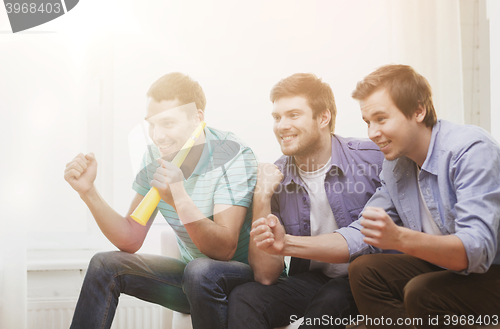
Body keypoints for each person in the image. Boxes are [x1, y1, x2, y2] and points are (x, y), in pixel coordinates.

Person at [250, 65, 500, 329]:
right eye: (368, 122)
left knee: (419, 290)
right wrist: (285, 244)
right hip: (443, 270)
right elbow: (360, 235)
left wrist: (401, 238)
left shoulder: (469, 149)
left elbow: (477, 252)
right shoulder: (396, 165)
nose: (372, 133)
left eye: (381, 119)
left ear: (418, 111)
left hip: (488, 272)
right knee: (365, 269)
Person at [64, 72, 257, 329]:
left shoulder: (232, 154)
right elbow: (130, 238)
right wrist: (88, 192)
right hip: (192, 280)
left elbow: (224, 250)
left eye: (167, 123)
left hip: (241, 283)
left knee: (201, 270)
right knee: (104, 264)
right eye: (152, 124)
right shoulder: (155, 155)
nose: (157, 136)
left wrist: (178, 197)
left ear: (197, 118)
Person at [228, 73, 384, 329]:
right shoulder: (276, 177)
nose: (281, 126)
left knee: (330, 301)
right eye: (277, 117)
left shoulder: (373, 159)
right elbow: (266, 276)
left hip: (364, 278)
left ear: (324, 117)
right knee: (245, 298)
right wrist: (262, 196)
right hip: (314, 280)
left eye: (293, 115)